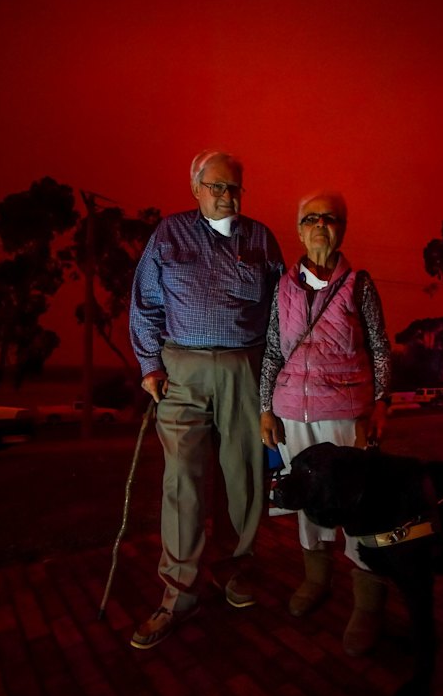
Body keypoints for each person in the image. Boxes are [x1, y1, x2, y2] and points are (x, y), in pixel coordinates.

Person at [129, 149, 284, 649]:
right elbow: (146, 304)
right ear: (195, 187)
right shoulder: (169, 235)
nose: (226, 196)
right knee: (184, 483)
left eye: (234, 187)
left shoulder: (260, 238)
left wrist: (274, 379)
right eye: (216, 186)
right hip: (183, 373)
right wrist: (150, 365)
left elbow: (281, 315)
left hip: (244, 366)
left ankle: (232, 570)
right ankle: (178, 593)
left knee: (243, 479)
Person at [260, 190, 391, 656]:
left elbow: (378, 349)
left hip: (346, 412)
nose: (320, 225)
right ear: (298, 230)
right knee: (307, 499)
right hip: (294, 411)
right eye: (310, 218)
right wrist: (265, 408)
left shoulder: (359, 284)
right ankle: (316, 580)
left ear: (342, 229)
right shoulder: (283, 287)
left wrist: (377, 405)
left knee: (356, 504)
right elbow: (274, 351)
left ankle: (368, 602)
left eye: (330, 219)